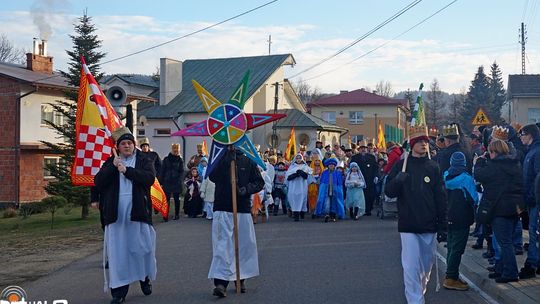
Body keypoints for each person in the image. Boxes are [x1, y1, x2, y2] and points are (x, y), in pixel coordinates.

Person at [385, 125, 447, 304]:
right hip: (408, 224)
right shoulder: (401, 165)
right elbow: (389, 192)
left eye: (426, 142)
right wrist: (398, 180)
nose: (423, 144)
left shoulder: (433, 167)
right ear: (411, 145)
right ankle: (415, 300)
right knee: (411, 267)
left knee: (425, 269)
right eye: (419, 142)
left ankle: (419, 293)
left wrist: (443, 225)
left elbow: (441, 197)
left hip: (429, 224)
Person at [94, 127, 156, 304]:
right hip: (116, 215)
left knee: (141, 249)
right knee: (119, 253)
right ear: (118, 147)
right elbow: (98, 183)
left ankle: (144, 277)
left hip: (138, 212)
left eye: (129, 143)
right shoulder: (111, 161)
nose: (127, 146)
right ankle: (119, 291)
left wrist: (127, 171)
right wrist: (113, 168)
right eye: (123, 144)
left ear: (134, 145)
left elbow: (149, 179)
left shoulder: (144, 160)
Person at [208, 146, 264, 298]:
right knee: (222, 245)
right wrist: (227, 159)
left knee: (243, 245)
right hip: (223, 207)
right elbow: (212, 176)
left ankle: (241, 277)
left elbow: (259, 182)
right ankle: (221, 282)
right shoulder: (219, 157)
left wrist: (245, 190)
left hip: (242, 208)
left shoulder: (248, 160)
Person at [474, 140, 523, 283]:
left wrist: (479, 162)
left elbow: (479, 175)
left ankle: (510, 273)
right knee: (507, 241)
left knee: (504, 243)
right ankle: (501, 268)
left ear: (494, 152)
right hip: (514, 208)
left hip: (499, 209)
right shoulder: (515, 163)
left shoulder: (494, 166)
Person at [442, 152, 478, 290]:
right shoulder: (466, 178)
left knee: (451, 246)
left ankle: (452, 274)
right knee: (457, 248)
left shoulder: (445, 175)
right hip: (462, 217)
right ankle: (451, 277)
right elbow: (474, 198)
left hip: (448, 216)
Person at [518, 124, 540, 279]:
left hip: (536, 201)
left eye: (523, 134)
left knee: (534, 233)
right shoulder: (531, 151)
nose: (521, 137)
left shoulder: (537, 152)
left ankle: (531, 264)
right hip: (532, 200)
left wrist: (533, 198)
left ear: (531, 135)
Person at [350, 141, 378, 216]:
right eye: (362, 148)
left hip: (370, 179)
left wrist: (376, 176)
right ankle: (361, 209)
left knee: (370, 195)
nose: (363, 150)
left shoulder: (371, 157)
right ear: (359, 149)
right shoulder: (355, 157)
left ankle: (368, 209)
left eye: (364, 148)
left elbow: (375, 167)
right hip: (359, 179)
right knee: (360, 196)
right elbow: (351, 168)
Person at [314, 157, 345, 222]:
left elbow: (339, 184)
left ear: (334, 166)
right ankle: (327, 215)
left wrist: (339, 191)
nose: (331, 165)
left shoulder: (338, 173)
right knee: (326, 203)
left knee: (334, 203)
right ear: (328, 165)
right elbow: (322, 182)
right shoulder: (324, 173)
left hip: (335, 191)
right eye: (330, 164)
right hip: (326, 191)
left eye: (333, 165)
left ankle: (333, 215)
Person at [159, 143, 184, 221]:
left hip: (176, 182)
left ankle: (176, 214)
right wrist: (161, 181)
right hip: (167, 181)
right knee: (167, 199)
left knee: (177, 199)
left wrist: (179, 180)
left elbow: (182, 171)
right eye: (174, 150)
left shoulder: (180, 160)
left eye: (177, 150)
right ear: (172, 150)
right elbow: (162, 170)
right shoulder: (166, 159)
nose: (176, 152)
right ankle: (165, 215)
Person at [286, 153, 312, 221]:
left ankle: (302, 213)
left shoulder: (305, 166)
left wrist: (301, 172)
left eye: (299, 158)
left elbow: (306, 176)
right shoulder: (292, 167)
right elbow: (288, 177)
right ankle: (296, 214)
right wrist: (295, 174)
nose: (298, 160)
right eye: (297, 158)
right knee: (293, 200)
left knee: (302, 200)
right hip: (293, 187)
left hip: (301, 187)